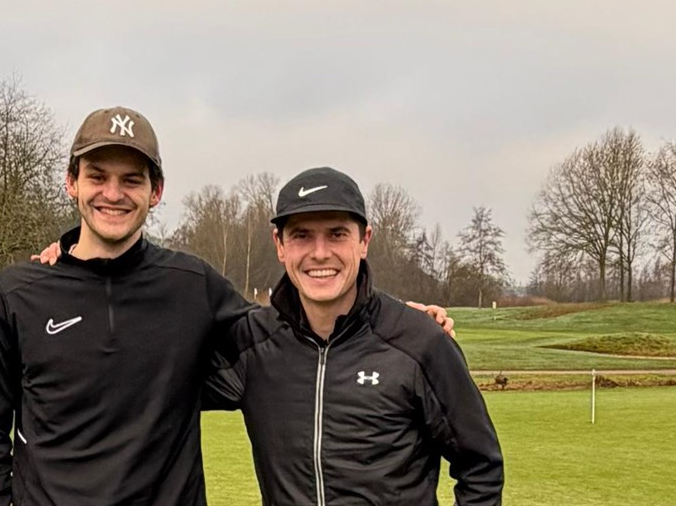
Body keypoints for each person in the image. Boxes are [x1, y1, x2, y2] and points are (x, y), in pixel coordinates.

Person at [0, 108, 452, 506]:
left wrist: (385, 318)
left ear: (156, 191)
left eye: (131, 180)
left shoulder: (191, 284)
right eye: (97, 176)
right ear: (72, 182)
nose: (113, 193)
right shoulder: (20, 292)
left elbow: (289, 331)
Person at [207, 166, 505, 506]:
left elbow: (480, 466)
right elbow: (164, 382)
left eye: (337, 234)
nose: (320, 253)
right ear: (280, 245)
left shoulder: (420, 341)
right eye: (302, 235)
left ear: (364, 241)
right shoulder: (251, 342)